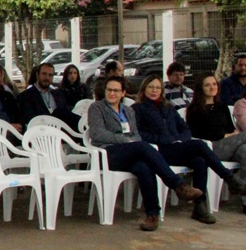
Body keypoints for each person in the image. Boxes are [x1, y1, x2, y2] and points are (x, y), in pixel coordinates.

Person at [86, 76, 203, 232]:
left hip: (130, 152)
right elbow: (98, 133)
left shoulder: (128, 111)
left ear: (123, 93)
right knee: (142, 146)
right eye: (109, 90)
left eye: (116, 90)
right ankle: (177, 184)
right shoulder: (97, 108)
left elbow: (136, 134)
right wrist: (125, 140)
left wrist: (131, 142)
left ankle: (152, 214)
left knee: (144, 167)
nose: (112, 93)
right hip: (108, 153)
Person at [132, 73, 245, 224]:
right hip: (157, 150)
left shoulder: (168, 107)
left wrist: (179, 139)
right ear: (144, 89)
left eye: (158, 87)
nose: (154, 90)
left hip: (176, 147)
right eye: (151, 87)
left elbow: (185, 129)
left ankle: (199, 206)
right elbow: (138, 134)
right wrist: (162, 139)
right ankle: (229, 178)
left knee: (200, 161)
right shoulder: (137, 109)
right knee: (199, 145)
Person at [185, 72, 246, 212]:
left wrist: (229, 135)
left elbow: (231, 129)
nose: (212, 87)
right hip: (209, 149)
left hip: (229, 145)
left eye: (214, 84)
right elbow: (197, 134)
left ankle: (245, 201)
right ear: (200, 88)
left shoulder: (222, 106)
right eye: (207, 85)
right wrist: (225, 135)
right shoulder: (194, 109)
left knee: (245, 150)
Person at [18, 63, 82, 130]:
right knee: (59, 113)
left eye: (50, 75)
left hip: (63, 130)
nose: (47, 78)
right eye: (44, 74)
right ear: (37, 75)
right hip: (41, 130)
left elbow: (67, 112)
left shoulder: (58, 94)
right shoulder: (25, 96)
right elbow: (30, 118)